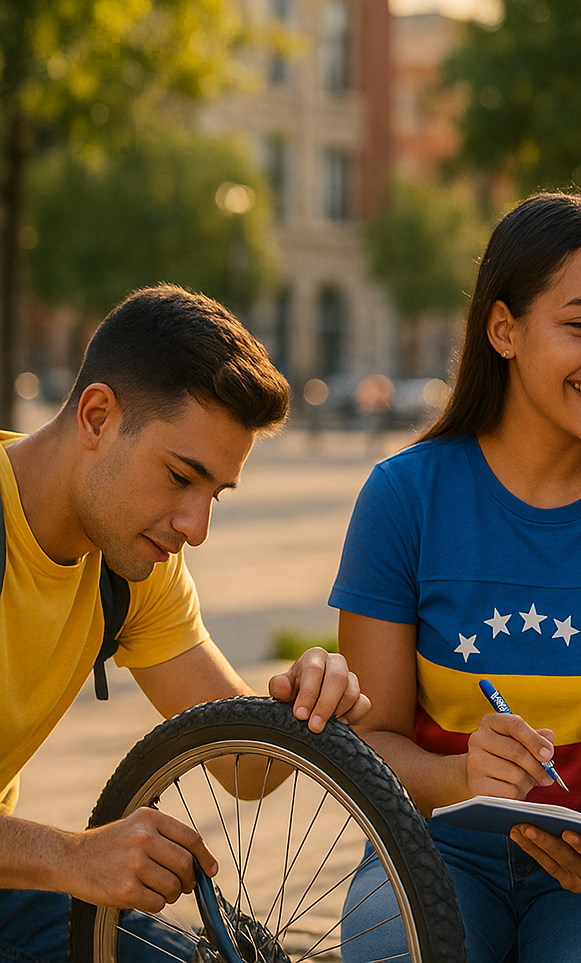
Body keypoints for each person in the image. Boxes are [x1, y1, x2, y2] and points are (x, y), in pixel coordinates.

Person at [330, 191, 581, 963]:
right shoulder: (404, 497)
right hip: (436, 851)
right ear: (504, 330)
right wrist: (463, 774)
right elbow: (373, 740)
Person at [0, 284, 369, 962]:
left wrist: (304, 707)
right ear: (96, 418)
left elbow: (244, 768)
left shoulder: (133, 566)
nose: (195, 528)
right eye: (179, 477)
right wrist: (73, 856)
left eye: (214, 494)